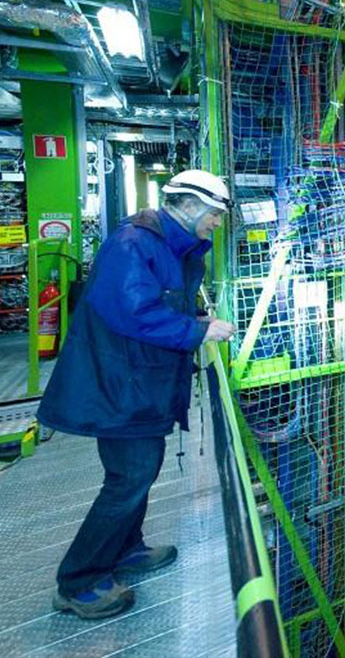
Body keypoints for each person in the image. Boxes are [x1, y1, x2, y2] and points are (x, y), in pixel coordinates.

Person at [37, 170, 236, 620]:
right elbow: (134, 313)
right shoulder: (133, 244)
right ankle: (78, 581)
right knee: (129, 477)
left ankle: (126, 547)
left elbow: (160, 303)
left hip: (140, 385)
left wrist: (195, 317)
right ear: (189, 206)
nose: (216, 223)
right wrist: (198, 331)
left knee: (141, 472)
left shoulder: (172, 247)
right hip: (119, 387)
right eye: (214, 214)